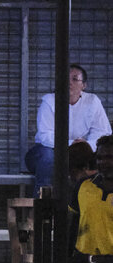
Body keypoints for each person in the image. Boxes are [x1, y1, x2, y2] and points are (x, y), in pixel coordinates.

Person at [25, 64, 112, 195]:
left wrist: (85, 145)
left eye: (75, 79)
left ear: (84, 85)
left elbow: (103, 132)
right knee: (48, 159)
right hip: (49, 150)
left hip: (80, 151)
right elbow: (45, 136)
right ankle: (42, 203)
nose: (69, 83)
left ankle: (91, 200)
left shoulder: (93, 101)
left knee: (101, 159)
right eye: (66, 78)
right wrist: (72, 144)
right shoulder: (49, 101)